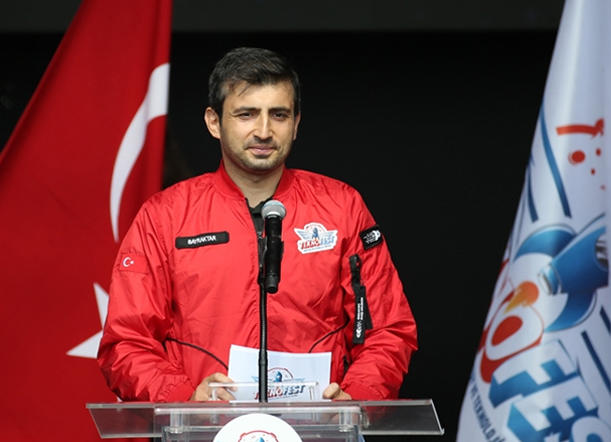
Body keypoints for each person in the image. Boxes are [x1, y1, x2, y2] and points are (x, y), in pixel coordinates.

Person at [97, 47, 418, 402]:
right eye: (246, 114)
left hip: (318, 426)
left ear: (296, 123)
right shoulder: (165, 215)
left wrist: (355, 397)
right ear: (214, 122)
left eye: (278, 115)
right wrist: (184, 398)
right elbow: (125, 343)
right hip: (206, 427)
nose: (264, 131)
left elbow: (389, 329)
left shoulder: (342, 206)